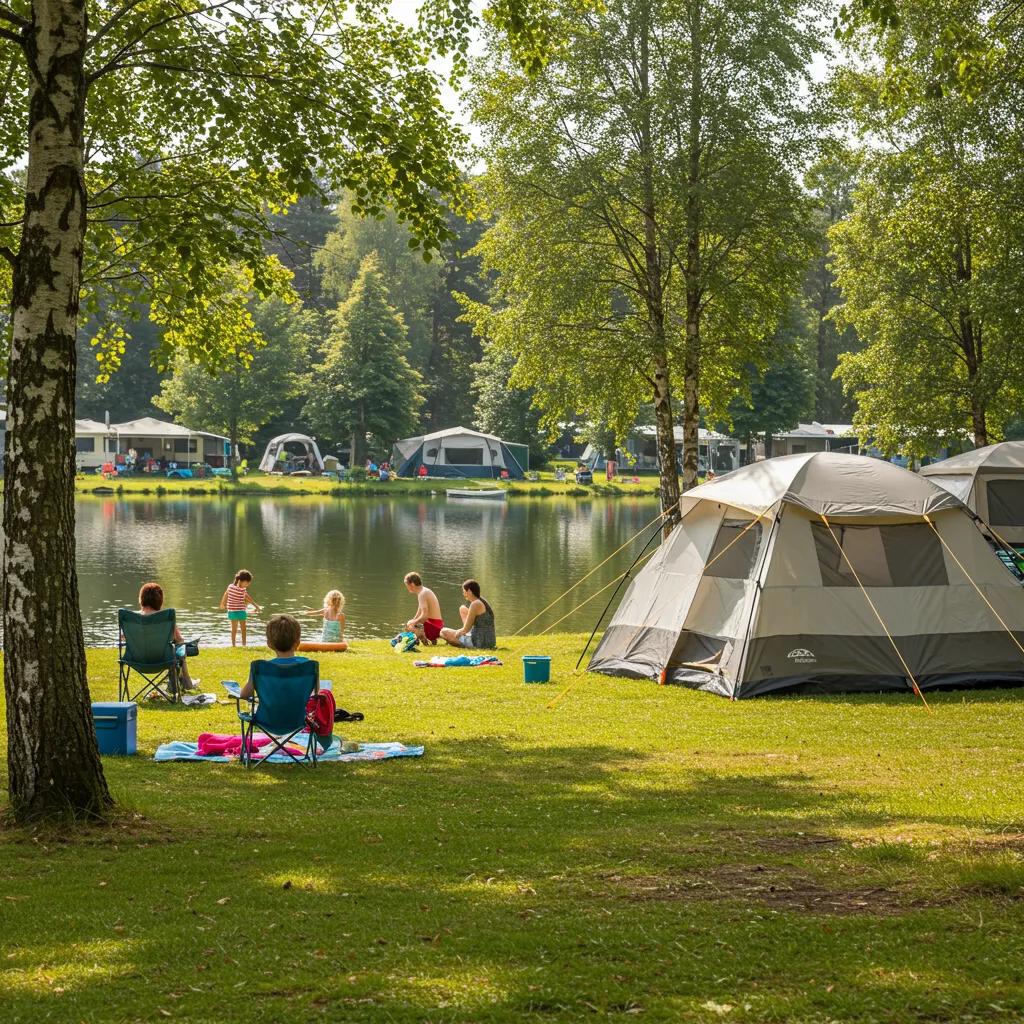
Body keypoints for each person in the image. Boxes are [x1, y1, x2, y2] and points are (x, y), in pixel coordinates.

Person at [137, 581, 198, 691]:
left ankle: (178, 682)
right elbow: (179, 640)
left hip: (136, 660)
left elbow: (124, 638)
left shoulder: (132, 618)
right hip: (163, 659)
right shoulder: (165, 618)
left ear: (142, 598)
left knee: (176, 648)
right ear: (159, 599)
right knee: (180, 646)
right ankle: (186, 681)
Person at [440, 579, 496, 650]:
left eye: (464, 592)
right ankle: (465, 637)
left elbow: (466, 629)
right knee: (462, 608)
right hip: (490, 640)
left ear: (469, 591)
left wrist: (457, 632)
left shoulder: (475, 604)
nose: (464, 594)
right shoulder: (482, 600)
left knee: (443, 632)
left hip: (479, 642)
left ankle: (464, 645)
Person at [219, 569, 262, 647]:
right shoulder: (231, 587)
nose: (248, 585)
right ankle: (233, 645)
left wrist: (256, 605)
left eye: (249, 583)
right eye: (247, 582)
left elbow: (248, 598)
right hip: (232, 611)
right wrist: (222, 603)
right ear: (240, 581)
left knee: (243, 628)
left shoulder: (243, 589)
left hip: (241, 610)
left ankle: (244, 644)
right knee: (234, 629)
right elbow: (226, 594)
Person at [404, 571, 444, 645]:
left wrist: (413, 623)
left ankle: (424, 640)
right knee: (410, 623)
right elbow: (419, 612)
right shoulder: (423, 591)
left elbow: (424, 615)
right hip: (438, 625)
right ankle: (432, 640)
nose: (407, 587)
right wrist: (413, 621)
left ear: (412, 584)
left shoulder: (422, 594)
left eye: (407, 585)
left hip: (435, 628)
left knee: (411, 624)